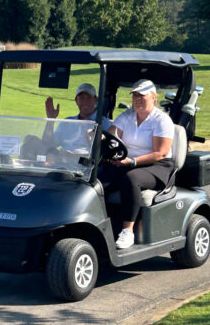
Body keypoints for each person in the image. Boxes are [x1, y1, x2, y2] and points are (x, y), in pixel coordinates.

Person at [100, 79, 175, 249]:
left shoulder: (161, 120)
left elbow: (160, 152)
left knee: (131, 178)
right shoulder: (127, 116)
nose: (137, 99)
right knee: (98, 182)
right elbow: (111, 135)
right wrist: (98, 137)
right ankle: (99, 226)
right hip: (128, 162)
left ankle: (128, 231)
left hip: (158, 166)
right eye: (135, 95)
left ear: (153, 97)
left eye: (142, 95)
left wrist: (132, 162)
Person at [44, 83, 112, 151]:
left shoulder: (104, 124)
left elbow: (108, 152)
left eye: (88, 97)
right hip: (63, 160)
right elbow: (49, 144)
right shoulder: (67, 122)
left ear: (95, 100)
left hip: (85, 161)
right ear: (76, 101)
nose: (85, 101)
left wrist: (74, 156)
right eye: (81, 98)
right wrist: (51, 120)